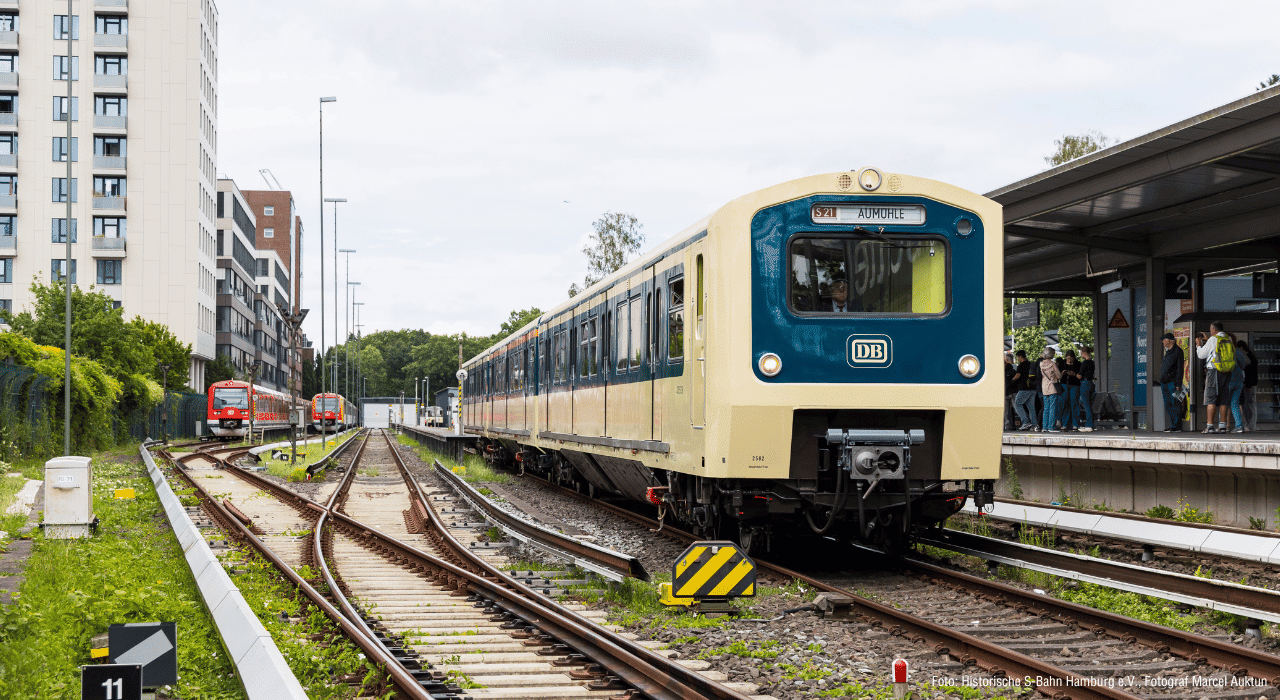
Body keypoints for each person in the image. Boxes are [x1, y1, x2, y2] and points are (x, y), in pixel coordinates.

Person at [1195, 322, 1235, 434]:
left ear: (1213, 329)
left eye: (1210, 329)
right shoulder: (1228, 338)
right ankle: (1222, 426)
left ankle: (1210, 426)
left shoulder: (1213, 339)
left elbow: (1202, 354)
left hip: (1213, 371)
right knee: (1223, 400)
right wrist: (1209, 340)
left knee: (1211, 399)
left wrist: (1198, 345)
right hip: (1226, 371)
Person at [1153, 333, 1184, 432]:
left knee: (1175, 403)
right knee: (1168, 404)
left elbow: (1180, 369)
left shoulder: (1178, 351)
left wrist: (1178, 385)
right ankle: (1173, 424)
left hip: (1173, 383)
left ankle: (1177, 426)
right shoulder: (1168, 352)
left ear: (1169, 340)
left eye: (1163, 339)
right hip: (1164, 383)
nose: (1162, 341)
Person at [1012, 350, 1038, 431]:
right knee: (1031, 407)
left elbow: (1017, 375)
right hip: (1033, 388)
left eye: (1018, 357)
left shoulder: (1021, 365)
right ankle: (1034, 425)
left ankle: (1026, 422)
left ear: (1020, 357)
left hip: (1024, 388)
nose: (1018, 359)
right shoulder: (1031, 364)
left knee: (1017, 404)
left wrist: (1012, 379)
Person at [1056, 350, 1081, 431]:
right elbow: (1057, 375)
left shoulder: (1078, 364)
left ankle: (1075, 424)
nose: (1069, 360)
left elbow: (1080, 376)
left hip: (1074, 385)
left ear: (1074, 358)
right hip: (1064, 384)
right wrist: (1062, 374)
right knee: (1065, 403)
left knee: (1074, 403)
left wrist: (1074, 374)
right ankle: (1065, 424)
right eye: (1068, 359)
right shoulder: (1062, 363)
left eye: (1071, 359)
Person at [1040, 348, 1062, 433]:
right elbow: (1059, 376)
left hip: (1044, 387)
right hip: (1052, 387)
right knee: (1052, 407)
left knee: (1046, 408)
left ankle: (1044, 427)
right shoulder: (1052, 364)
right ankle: (1051, 427)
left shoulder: (1041, 364)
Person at [1239, 340, 1258, 431]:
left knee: (1249, 406)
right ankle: (1251, 425)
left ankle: (1251, 426)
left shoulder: (1247, 358)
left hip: (1249, 385)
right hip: (1251, 384)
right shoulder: (1251, 356)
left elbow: (1250, 373)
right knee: (1250, 405)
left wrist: (1248, 385)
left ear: (1241, 348)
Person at [1077, 346, 1096, 432]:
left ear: (1084, 353)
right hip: (1091, 384)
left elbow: (1080, 375)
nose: (1080, 354)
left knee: (1086, 405)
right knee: (1089, 405)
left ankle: (1089, 425)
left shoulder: (1084, 363)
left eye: (1081, 353)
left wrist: (1074, 374)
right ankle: (1091, 424)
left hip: (1084, 384)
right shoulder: (1092, 362)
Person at [1003, 352, 1020, 430]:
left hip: (1010, 392)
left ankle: (1019, 423)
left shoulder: (1011, 370)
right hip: (1008, 392)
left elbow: (1015, 380)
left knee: (1015, 408)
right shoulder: (1012, 369)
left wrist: (1009, 383)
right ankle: (1008, 426)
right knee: (1007, 411)